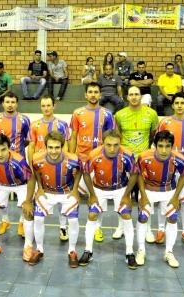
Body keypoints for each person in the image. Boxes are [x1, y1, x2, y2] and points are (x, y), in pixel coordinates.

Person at [78, 129, 138, 269]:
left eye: (116, 145)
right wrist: (92, 195)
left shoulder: (128, 154)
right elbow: (86, 174)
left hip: (120, 189)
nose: (112, 148)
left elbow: (134, 174)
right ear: (102, 143)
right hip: (99, 189)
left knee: (126, 215)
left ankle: (129, 252)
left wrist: (126, 195)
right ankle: (88, 250)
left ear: (120, 143)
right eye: (108, 144)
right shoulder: (93, 155)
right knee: (92, 215)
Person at [26, 131, 82, 268]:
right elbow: (36, 173)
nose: (53, 151)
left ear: (63, 147)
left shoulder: (74, 159)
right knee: (38, 219)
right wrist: (39, 187)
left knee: (73, 220)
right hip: (47, 192)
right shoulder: (37, 158)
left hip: (67, 193)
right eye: (50, 147)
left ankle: (72, 251)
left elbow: (80, 171)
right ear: (45, 147)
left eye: (57, 147)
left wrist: (75, 189)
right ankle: (39, 249)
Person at [69, 82, 115, 242]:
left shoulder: (107, 114)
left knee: (97, 197)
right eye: (90, 92)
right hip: (81, 161)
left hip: (99, 163)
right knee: (74, 194)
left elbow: (110, 138)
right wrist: (71, 156)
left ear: (100, 95)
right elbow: (73, 136)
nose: (93, 94)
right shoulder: (77, 113)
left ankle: (97, 228)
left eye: (96, 92)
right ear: (85, 95)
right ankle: (70, 225)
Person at [136, 131, 184, 268]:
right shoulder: (143, 157)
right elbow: (139, 175)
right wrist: (142, 195)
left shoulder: (179, 158)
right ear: (155, 145)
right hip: (148, 190)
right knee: (142, 217)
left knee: (173, 218)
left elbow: (183, 176)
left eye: (167, 146)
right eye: (160, 146)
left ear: (172, 146)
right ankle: (141, 250)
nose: (164, 150)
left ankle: (169, 252)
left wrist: (176, 197)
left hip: (168, 191)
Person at [156, 92, 184, 247]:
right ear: (173, 105)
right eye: (177, 103)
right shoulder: (165, 122)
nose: (180, 106)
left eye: (183, 103)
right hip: (166, 168)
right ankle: (161, 229)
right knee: (164, 200)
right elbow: (157, 144)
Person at [114, 86, 158, 242]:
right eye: (131, 94)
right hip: (125, 163)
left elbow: (154, 136)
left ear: (141, 96)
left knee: (145, 196)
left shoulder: (151, 114)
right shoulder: (119, 115)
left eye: (136, 94)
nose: (134, 97)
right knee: (122, 195)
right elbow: (117, 136)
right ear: (127, 97)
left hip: (143, 163)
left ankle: (147, 229)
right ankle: (121, 226)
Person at [27, 95, 70, 241]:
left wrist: (65, 167)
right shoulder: (34, 125)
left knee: (61, 198)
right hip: (40, 169)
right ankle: (35, 227)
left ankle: (63, 227)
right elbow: (31, 146)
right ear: (40, 107)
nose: (46, 108)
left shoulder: (62, 125)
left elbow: (66, 147)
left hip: (58, 169)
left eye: (48, 105)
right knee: (38, 197)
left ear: (54, 106)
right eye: (43, 105)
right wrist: (32, 166)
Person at [0, 92, 31, 235]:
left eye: (13, 102)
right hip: (1, 164)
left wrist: (16, 153)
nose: (10, 105)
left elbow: (27, 140)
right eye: (7, 102)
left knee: (23, 200)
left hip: (20, 165)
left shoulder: (24, 120)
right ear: (3, 103)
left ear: (17, 104)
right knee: (0, 198)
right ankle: (5, 220)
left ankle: (21, 223)